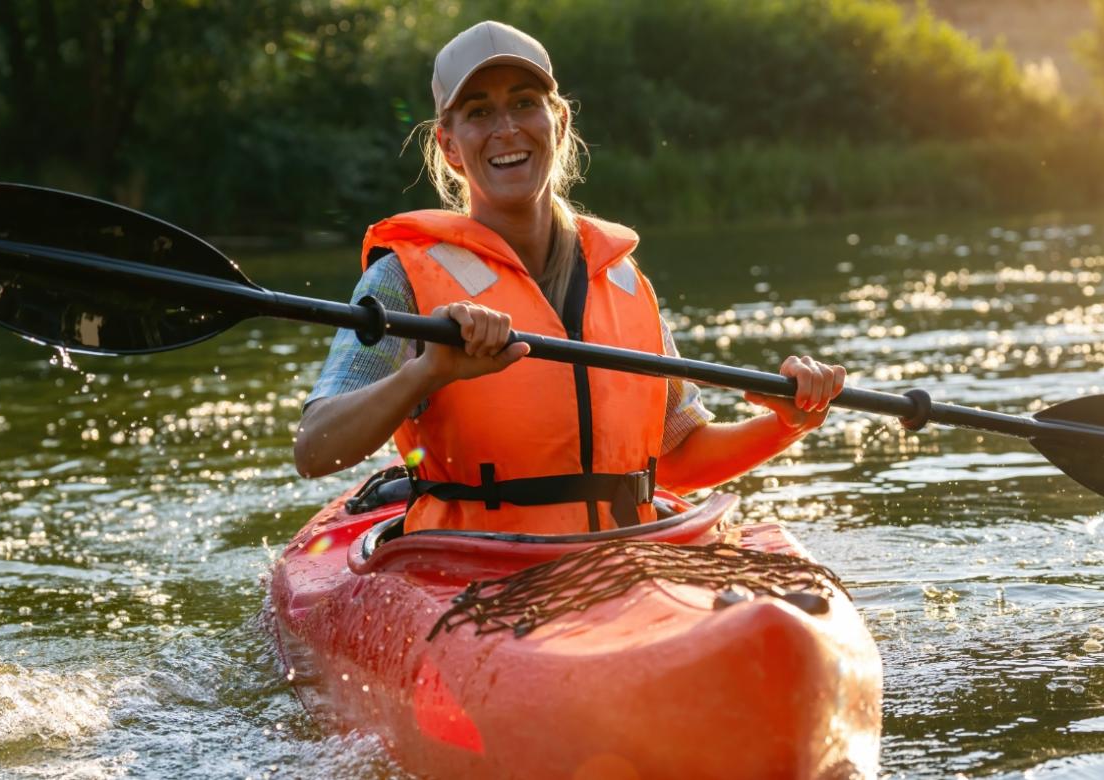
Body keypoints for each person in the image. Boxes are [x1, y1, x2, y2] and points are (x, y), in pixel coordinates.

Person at [294, 20, 845, 534]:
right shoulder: (401, 280)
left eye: (524, 104)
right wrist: (426, 373)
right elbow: (316, 450)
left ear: (558, 121)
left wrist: (789, 422)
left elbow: (676, 457)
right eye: (479, 112)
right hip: (474, 569)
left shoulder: (623, 280)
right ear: (449, 145)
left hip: (619, 562)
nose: (506, 128)